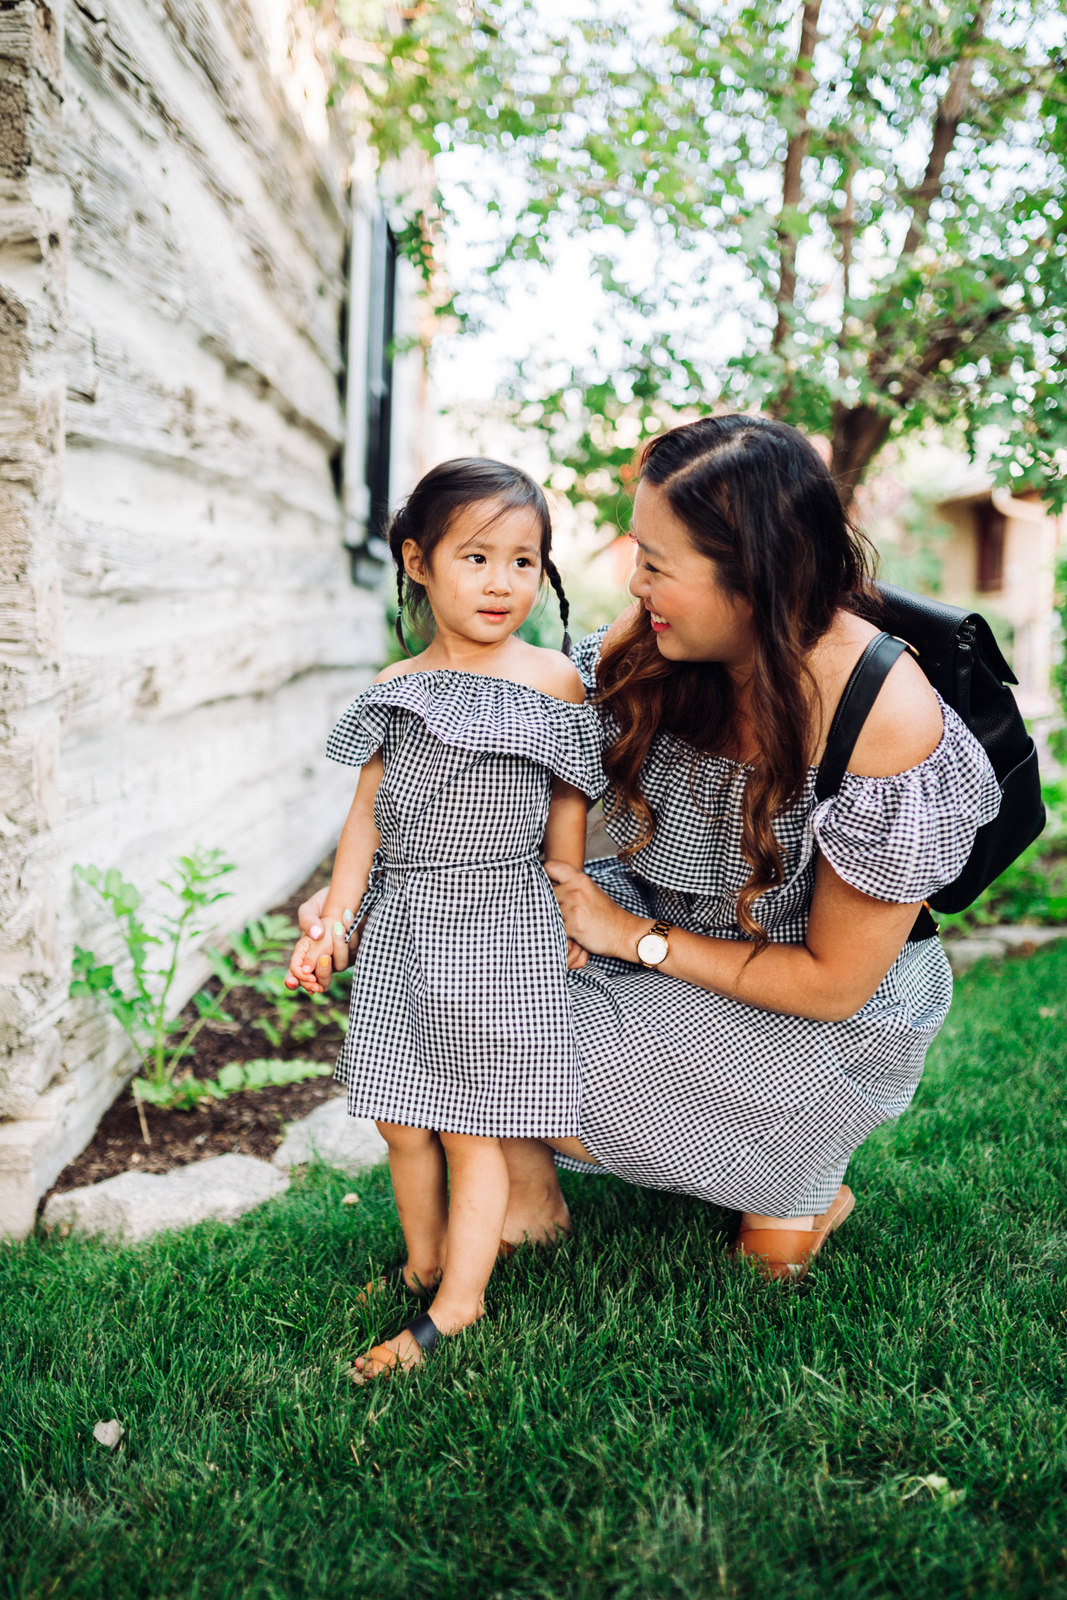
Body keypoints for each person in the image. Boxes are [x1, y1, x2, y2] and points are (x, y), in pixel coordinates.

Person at [300, 414, 1001, 1299]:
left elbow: (833, 984)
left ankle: (794, 1181)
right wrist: (357, 895)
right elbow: (491, 746)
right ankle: (526, 1194)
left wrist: (630, 937)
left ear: (753, 576)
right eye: (639, 553)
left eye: (657, 564)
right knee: (471, 994)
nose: (634, 582)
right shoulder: (660, 643)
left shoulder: (880, 712)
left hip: (815, 1007)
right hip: (654, 924)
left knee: (758, 1243)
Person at [286, 458, 603, 1381]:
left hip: (499, 926)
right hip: (406, 921)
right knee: (397, 1114)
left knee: (469, 1123)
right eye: (477, 558)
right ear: (419, 562)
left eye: (522, 561)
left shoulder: (550, 684)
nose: (502, 582)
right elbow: (366, 816)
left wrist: (573, 905)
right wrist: (335, 919)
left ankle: (454, 1308)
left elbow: (569, 806)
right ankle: (424, 1260)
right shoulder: (397, 683)